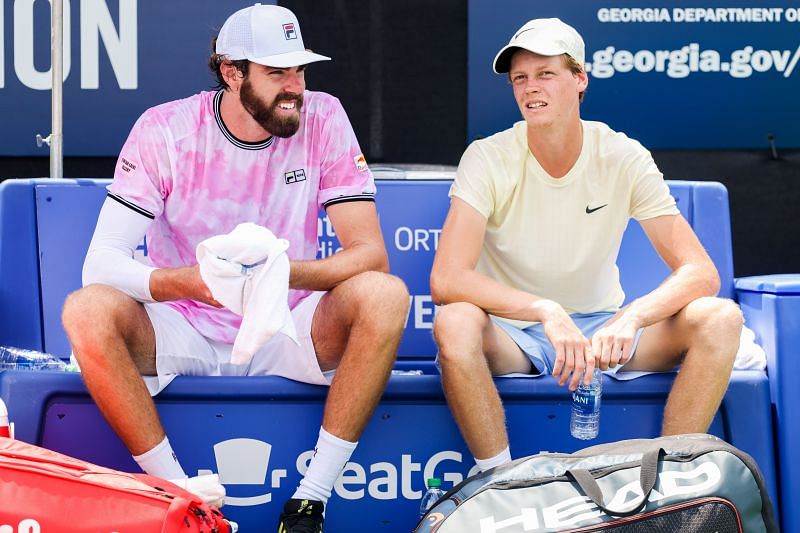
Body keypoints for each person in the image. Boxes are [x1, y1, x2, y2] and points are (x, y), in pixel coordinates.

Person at [61, 4, 409, 531]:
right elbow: (100, 263)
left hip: (288, 325)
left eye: (300, 70)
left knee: (385, 294)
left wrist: (277, 273)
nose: (295, 86)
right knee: (86, 311)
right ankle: (176, 494)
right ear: (232, 72)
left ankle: (311, 499)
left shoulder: (324, 114)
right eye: (277, 72)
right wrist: (190, 285)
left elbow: (369, 254)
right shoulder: (166, 128)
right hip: (187, 324)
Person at [430, 18, 742, 473]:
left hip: (602, 332)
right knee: (454, 321)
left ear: (579, 79)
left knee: (721, 318)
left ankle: (671, 481)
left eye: (545, 74)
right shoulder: (487, 155)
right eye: (520, 78)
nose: (529, 88)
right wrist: (545, 310)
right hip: (514, 332)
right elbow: (447, 278)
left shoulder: (622, 154)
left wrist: (631, 317)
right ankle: (496, 477)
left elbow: (700, 272)